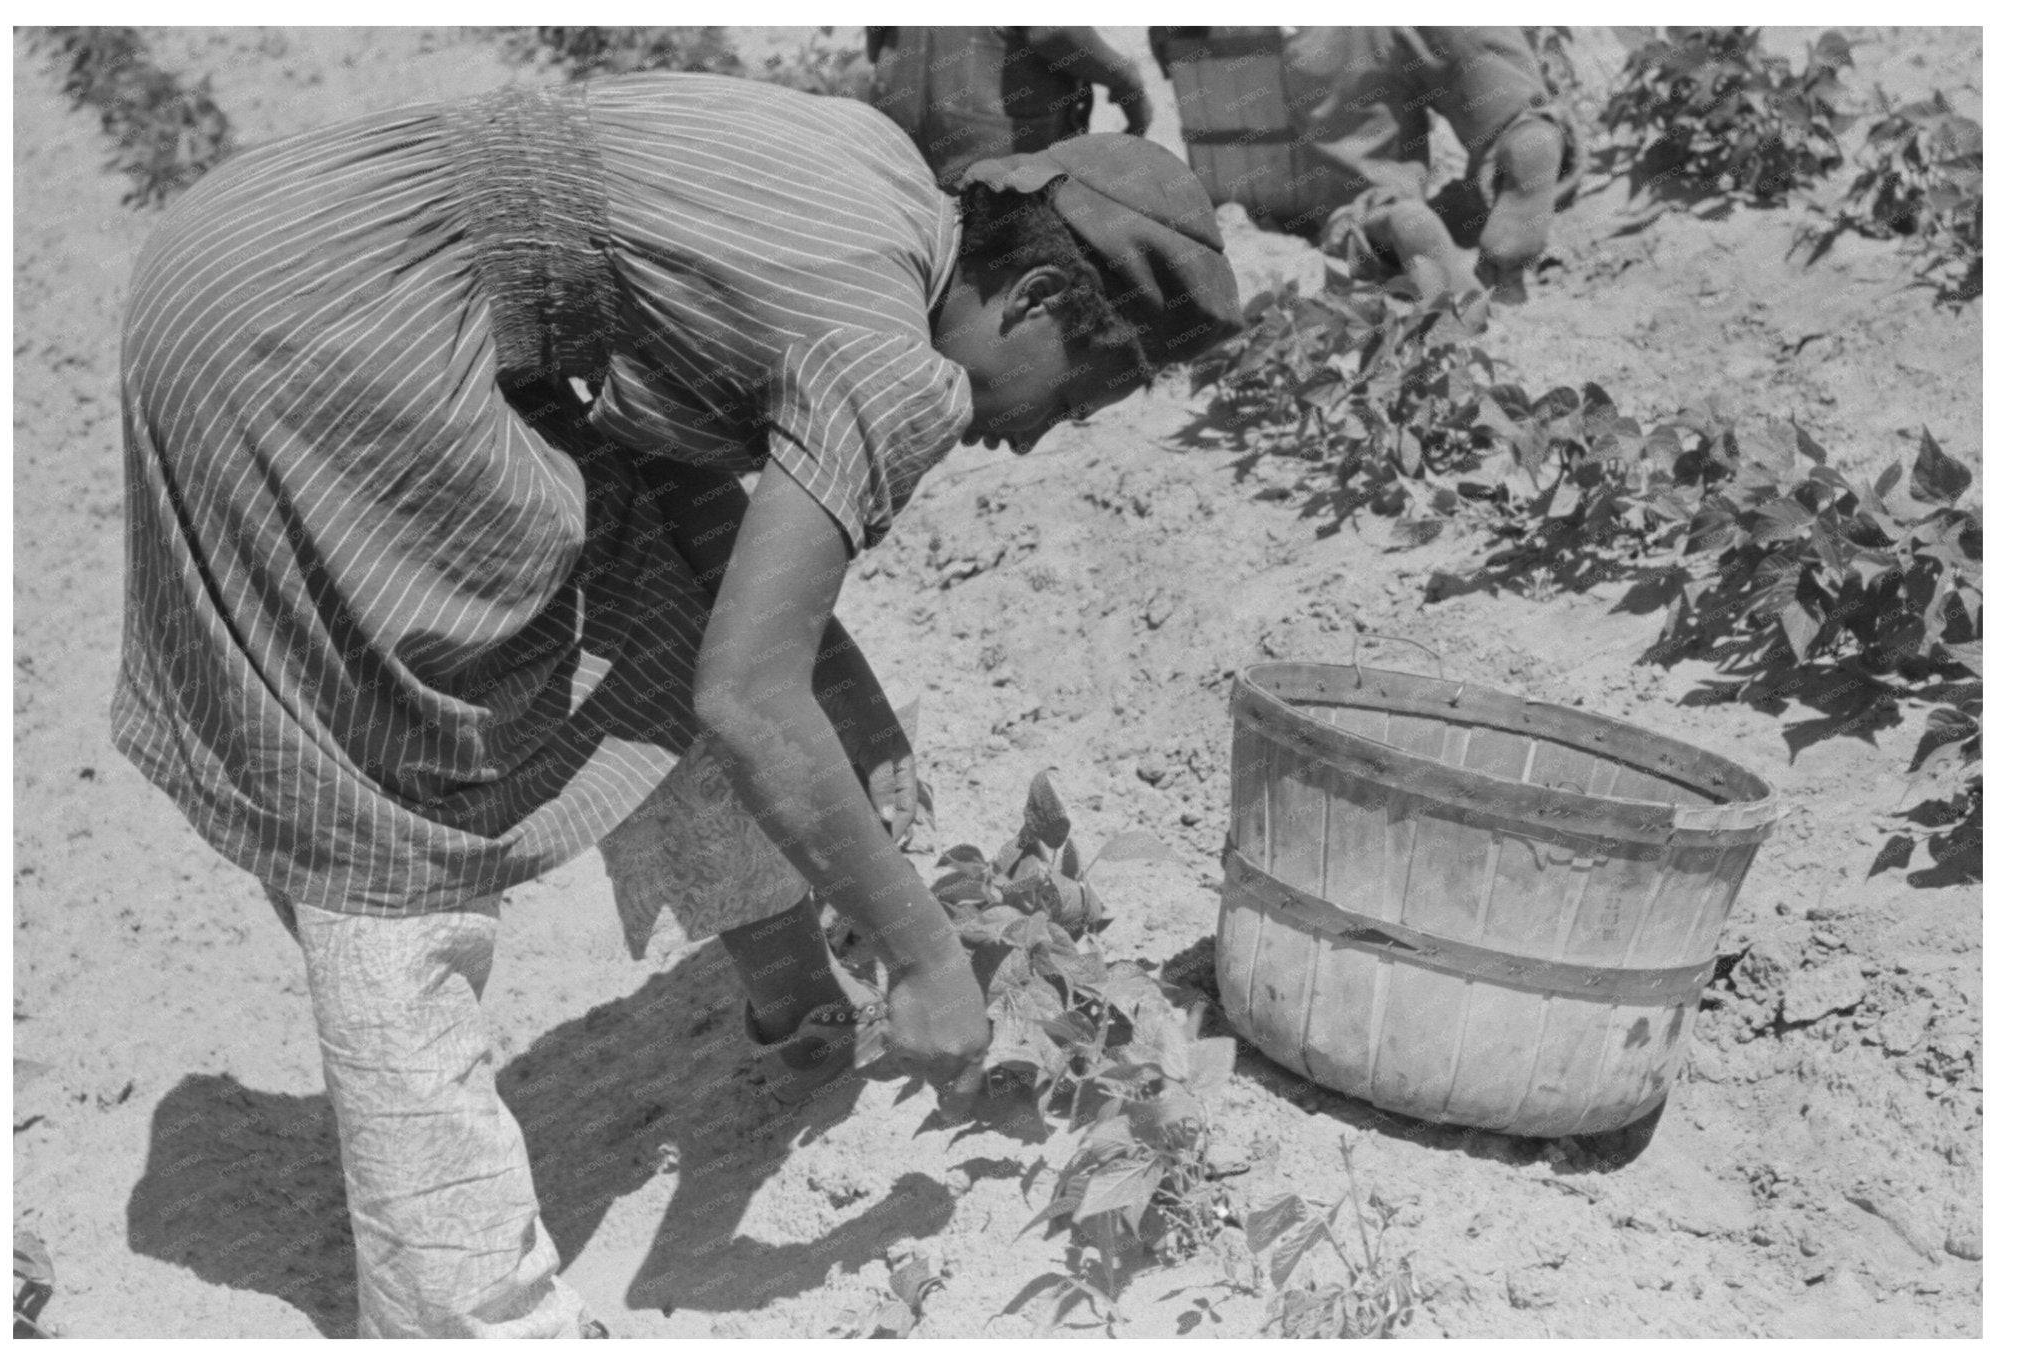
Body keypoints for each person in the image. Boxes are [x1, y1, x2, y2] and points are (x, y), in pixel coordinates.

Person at [113, 71, 1238, 1338]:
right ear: (1032, 297)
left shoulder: (875, 178)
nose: (1037, 438)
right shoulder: (885, 360)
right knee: (395, 804)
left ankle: (790, 990)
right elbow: (749, 697)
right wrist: (923, 955)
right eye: (1077, 394)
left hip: (271, 237)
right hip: (317, 335)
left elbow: (691, 500)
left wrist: (844, 696)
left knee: (633, 585)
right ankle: (467, 1312)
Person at [1153, 26, 1578, 299]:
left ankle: (1382, 220)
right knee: (1471, 55)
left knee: (1344, 192)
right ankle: (1519, 127)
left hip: (1266, 59)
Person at [867, 26, 1154, 184]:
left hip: (897, 127)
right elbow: (1054, 30)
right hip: (993, 150)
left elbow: (874, 42)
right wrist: (1128, 82)